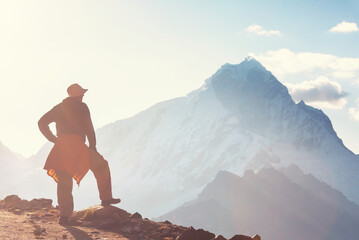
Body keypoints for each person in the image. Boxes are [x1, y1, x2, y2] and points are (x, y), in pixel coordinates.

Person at [38, 83, 121, 225]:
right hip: (77, 145)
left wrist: (54, 139)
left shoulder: (59, 107)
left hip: (61, 147)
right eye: (82, 93)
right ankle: (106, 198)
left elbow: (41, 122)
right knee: (101, 165)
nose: (83, 95)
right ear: (78, 95)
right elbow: (89, 127)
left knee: (64, 180)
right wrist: (93, 146)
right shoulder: (82, 107)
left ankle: (64, 217)